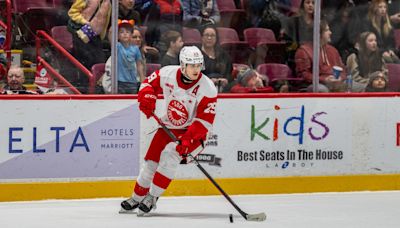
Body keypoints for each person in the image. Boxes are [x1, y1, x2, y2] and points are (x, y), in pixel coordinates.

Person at [120, 46, 217, 215]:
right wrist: (147, 97)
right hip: (169, 127)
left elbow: (204, 121)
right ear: (182, 64)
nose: (196, 69)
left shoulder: (207, 87)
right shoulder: (167, 73)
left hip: (194, 133)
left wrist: (188, 139)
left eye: (198, 65)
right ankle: (136, 197)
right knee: (151, 163)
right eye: (191, 65)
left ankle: (152, 197)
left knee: (171, 154)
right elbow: (147, 84)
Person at [67, 0, 111, 92]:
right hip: (82, 33)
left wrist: (101, 35)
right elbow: (72, 12)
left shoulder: (108, 3)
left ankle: (96, 88)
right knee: (85, 61)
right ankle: (84, 89)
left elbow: (105, 20)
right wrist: (85, 22)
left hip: (96, 35)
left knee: (99, 61)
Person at [295, 20, 347, 92]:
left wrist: (340, 78)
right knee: (322, 89)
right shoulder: (303, 51)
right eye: (327, 30)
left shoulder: (333, 50)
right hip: (316, 84)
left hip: (335, 83)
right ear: (318, 34)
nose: (330, 33)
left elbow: (343, 70)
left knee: (357, 86)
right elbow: (304, 75)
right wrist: (324, 79)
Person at [103, 20, 145, 94]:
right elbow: (110, 34)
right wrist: (115, 22)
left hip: (133, 82)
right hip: (119, 82)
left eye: (127, 32)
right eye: (121, 32)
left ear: (131, 35)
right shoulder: (117, 46)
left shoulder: (135, 49)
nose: (125, 34)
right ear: (118, 35)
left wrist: (142, 80)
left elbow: (139, 65)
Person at [200, 25, 233, 93]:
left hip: (223, 88)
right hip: (202, 89)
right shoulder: (196, 54)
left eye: (212, 35)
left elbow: (229, 73)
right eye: (206, 35)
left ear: (216, 38)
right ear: (202, 37)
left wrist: (226, 80)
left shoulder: (223, 55)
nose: (209, 38)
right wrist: (208, 80)